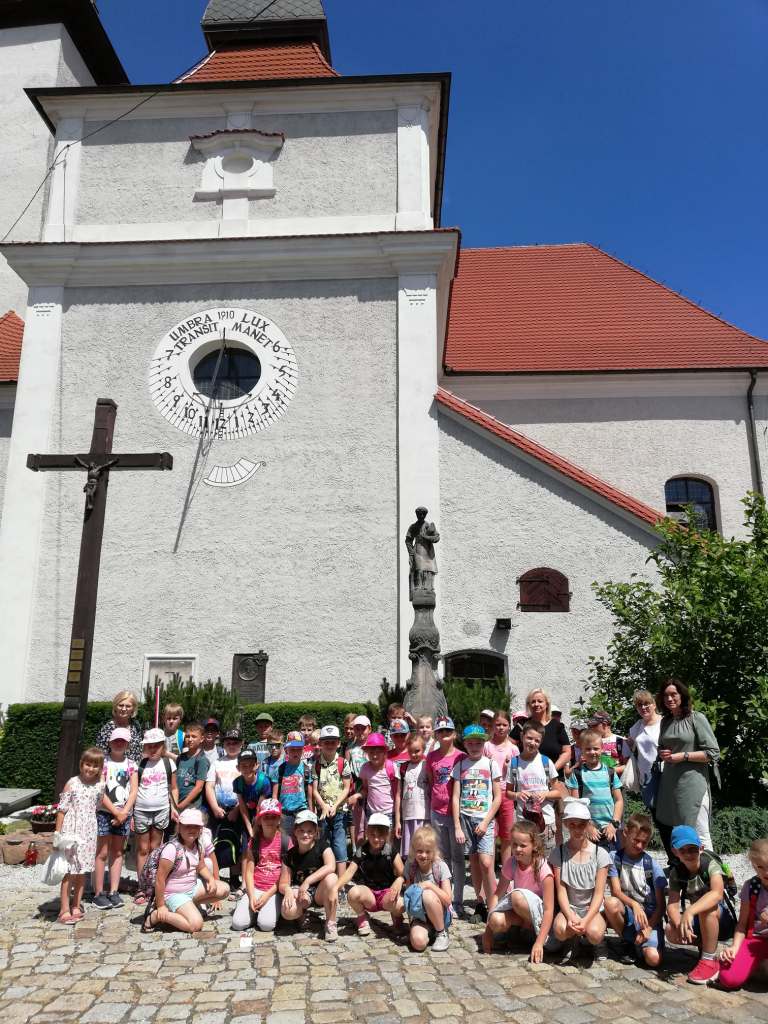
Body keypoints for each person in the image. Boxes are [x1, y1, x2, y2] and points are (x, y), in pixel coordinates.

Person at [655, 678, 720, 856]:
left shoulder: (696, 718)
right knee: (681, 833)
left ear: (682, 696)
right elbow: (663, 746)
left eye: (673, 694)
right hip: (671, 784)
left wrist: (683, 756)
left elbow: (713, 753)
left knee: (700, 833)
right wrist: (663, 753)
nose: (669, 698)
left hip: (692, 784)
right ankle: (689, 874)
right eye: (666, 695)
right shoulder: (665, 721)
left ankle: (714, 876)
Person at [665, 825, 736, 985]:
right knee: (670, 930)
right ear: (675, 852)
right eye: (683, 850)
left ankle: (709, 961)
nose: (689, 854)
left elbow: (717, 893)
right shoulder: (677, 873)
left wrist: (689, 912)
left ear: (701, 848)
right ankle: (706, 947)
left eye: (693, 849)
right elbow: (672, 905)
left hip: (722, 921)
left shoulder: (710, 865)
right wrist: (679, 923)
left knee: (707, 908)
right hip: (700, 921)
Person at [142, 808, 229, 933]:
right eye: (187, 826)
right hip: (173, 893)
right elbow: (160, 880)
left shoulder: (198, 845)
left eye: (196, 826)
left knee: (224, 889)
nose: (192, 829)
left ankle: (188, 907)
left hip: (191, 888)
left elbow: (201, 866)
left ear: (201, 829)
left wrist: (211, 879)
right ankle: (156, 916)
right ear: (179, 827)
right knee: (196, 925)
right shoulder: (172, 849)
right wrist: (161, 906)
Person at [483, 819, 556, 962]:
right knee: (496, 920)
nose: (517, 849)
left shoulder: (543, 869)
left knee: (517, 896)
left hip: (539, 916)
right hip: (520, 913)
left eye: (523, 845)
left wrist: (540, 943)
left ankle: (533, 936)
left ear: (534, 846)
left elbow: (549, 909)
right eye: (514, 844)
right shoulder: (511, 863)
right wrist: (488, 930)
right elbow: (497, 895)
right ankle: (519, 932)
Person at [550, 799, 611, 963]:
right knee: (560, 930)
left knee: (595, 933)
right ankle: (572, 939)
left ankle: (597, 942)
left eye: (581, 825)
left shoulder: (600, 854)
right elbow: (561, 890)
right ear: (566, 825)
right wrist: (570, 916)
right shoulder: (559, 854)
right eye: (572, 825)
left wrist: (586, 919)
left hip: (591, 908)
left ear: (588, 824)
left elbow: (599, 893)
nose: (577, 829)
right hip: (570, 907)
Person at [451, 724, 502, 922]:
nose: (474, 746)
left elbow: (497, 797)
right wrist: (457, 825)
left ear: (484, 744)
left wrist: (487, 821)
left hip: (484, 819)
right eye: (470, 743)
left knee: (486, 862)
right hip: (465, 818)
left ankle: (494, 904)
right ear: (464, 744)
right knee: (473, 861)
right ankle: (480, 904)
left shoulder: (490, 764)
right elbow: (456, 797)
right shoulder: (460, 766)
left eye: (478, 743)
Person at [603, 812, 667, 967]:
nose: (639, 846)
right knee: (611, 903)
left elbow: (661, 906)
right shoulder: (614, 857)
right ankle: (628, 941)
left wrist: (649, 927)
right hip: (629, 911)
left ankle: (642, 943)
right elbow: (616, 891)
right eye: (636, 840)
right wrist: (635, 905)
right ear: (625, 833)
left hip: (649, 917)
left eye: (643, 843)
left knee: (654, 960)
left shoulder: (652, 865)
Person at [53, 747, 105, 924]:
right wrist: (57, 834)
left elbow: (97, 806)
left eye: (95, 766)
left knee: (82, 870)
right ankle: (64, 908)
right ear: (81, 764)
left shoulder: (99, 786)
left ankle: (77, 904)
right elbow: (62, 810)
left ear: (100, 768)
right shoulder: (72, 783)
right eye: (87, 764)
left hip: (89, 832)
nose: (90, 769)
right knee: (69, 871)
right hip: (71, 831)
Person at [334, 812, 405, 935]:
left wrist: (400, 880)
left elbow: (404, 874)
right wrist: (335, 887)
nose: (376, 839)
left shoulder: (391, 851)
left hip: (387, 894)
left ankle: (397, 920)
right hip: (369, 894)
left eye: (381, 835)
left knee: (400, 904)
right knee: (353, 893)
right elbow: (349, 872)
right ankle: (362, 918)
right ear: (367, 833)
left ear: (387, 834)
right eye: (373, 835)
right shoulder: (362, 851)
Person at [93, 728, 138, 910]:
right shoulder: (103, 763)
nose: (119, 744)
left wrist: (124, 812)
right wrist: (115, 812)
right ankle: (98, 892)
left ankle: (113, 890)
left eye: (123, 741)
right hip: (105, 811)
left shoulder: (131, 764)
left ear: (127, 744)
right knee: (102, 852)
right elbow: (100, 790)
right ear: (110, 742)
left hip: (123, 813)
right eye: (116, 740)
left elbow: (133, 790)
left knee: (118, 852)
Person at [279, 809, 339, 942]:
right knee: (287, 912)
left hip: (319, 892)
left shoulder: (323, 846)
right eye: (301, 830)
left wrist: (308, 881)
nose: (305, 834)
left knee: (332, 878)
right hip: (299, 894)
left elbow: (331, 866)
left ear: (316, 832)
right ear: (295, 832)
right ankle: (301, 915)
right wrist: (288, 890)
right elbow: (283, 883)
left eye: (310, 831)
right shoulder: (290, 855)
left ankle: (331, 923)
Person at [506, 719, 563, 856]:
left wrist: (545, 794)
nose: (532, 743)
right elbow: (508, 792)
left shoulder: (545, 762)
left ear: (541, 742)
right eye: (529, 738)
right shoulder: (514, 763)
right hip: (523, 822)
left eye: (537, 740)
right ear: (522, 737)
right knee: (526, 860)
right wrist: (517, 795)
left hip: (546, 822)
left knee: (546, 860)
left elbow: (558, 792)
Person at [426, 716, 464, 916]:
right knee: (442, 857)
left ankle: (457, 900)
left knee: (458, 858)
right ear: (436, 734)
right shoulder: (431, 757)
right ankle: (444, 897)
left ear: (454, 733)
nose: (444, 735)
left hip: (456, 814)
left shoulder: (461, 757)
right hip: (437, 811)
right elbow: (432, 782)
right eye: (440, 731)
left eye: (448, 731)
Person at [718, 838, 768, 991]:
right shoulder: (751, 886)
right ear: (753, 866)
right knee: (728, 979)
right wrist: (734, 947)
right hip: (755, 939)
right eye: (760, 867)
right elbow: (742, 925)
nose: (766, 872)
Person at [134, 728, 178, 891]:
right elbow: (134, 788)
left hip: (161, 809)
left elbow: (173, 788)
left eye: (156, 746)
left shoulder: (168, 763)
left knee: (155, 847)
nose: (152, 749)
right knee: (142, 848)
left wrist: (175, 807)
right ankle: (142, 884)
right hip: (141, 809)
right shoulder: (139, 764)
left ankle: (154, 883)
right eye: (149, 746)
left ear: (162, 746)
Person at [564, 728, 623, 851]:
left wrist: (614, 823)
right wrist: (588, 826)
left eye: (596, 748)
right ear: (582, 751)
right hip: (589, 829)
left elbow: (618, 800)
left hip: (610, 828)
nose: (592, 752)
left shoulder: (610, 772)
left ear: (602, 749)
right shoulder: (578, 774)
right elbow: (576, 804)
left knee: (611, 865)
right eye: (588, 749)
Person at [231, 798, 285, 932]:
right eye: (266, 817)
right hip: (256, 887)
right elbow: (249, 872)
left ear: (279, 820)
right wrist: (251, 896)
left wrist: (267, 896)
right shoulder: (254, 841)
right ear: (260, 820)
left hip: (273, 890)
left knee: (266, 925)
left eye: (273, 817)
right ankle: (254, 912)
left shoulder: (285, 841)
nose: (269, 821)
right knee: (238, 924)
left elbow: (285, 875)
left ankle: (266, 912)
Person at [403, 824, 452, 952]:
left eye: (427, 851)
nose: (423, 855)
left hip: (440, 913)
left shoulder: (441, 867)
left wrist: (429, 885)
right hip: (420, 917)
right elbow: (408, 897)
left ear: (434, 851)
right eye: (419, 851)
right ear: (413, 851)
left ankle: (441, 933)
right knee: (418, 944)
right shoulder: (410, 867)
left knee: (428, 895)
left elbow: (447, 901)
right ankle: (429, 933)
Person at [312, 724, 352, 878]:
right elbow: (315, 790)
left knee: (339, 845)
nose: (329, 745)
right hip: (322, 813)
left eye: (333, 741)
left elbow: (346, 788)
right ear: (320, 743)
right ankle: (325, 878)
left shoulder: (343, 762)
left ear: (339, 743)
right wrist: (323, 806)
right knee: (323, 844)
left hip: (339, 812)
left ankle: (340, 883)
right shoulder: (316, 764)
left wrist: (334, 806)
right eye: (326, 741)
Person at [483, 710, 519, 866]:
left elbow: (518, 774)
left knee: (507, 834)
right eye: (497, 725)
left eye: (504, 725)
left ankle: (506, 869)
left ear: (509, 727)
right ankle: (488, 868)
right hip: (489, 793)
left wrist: (510, 767)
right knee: (490, 833)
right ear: (492, 726)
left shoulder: (513, 749)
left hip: (506, 793)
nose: (501, 728)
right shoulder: (486, 746)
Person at [510, 689, 571, 774]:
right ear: (529, 705)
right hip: (527, 776)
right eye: (533, 701)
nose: (536, 704)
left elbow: (567, 752)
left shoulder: (557, 726)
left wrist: (551, 770)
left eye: (540, 701)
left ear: (547, 704)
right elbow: (507, 745)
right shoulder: (522, 725)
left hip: (553, 778)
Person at [622, 690, 662, 811]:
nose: (643, 707)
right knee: (654, 812)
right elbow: (631, 748)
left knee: (669, 815)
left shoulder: (664, 723)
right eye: (639, 705)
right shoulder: (637, 727)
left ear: (654, 704)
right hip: (646, 778)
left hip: (664, 775)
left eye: (646, 703)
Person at [395, 734, 430, 858]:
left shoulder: (427, 765)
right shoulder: (403, 767)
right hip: (408, 816)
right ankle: (411, 875)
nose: (414, 754)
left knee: (424, 848)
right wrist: (398, 821)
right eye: (411, 751)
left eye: (417, 751)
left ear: (423, 749)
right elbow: (398, 794)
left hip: (424, 815)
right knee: (410, 852)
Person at [359, 733, 399, 834]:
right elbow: (365, 789)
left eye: (378, 752)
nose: (375, 755)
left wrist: (398, 820)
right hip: (371, 812)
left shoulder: (392, 767)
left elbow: (398, 794)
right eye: (371, 752)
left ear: (385, 752)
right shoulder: (365, 768)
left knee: (388, 844)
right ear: (367, 752)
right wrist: (357, 795)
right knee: (373, 841)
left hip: (389, 812)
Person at [233, 748, 272, 841]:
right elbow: (242, 806)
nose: (248, 769)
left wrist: (254, 828)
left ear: (257, 765)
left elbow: (260, 807)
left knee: (260, 838)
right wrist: (249, 828)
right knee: (247, 840)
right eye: (244, 766)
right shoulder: (237, 783)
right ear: (238, 768)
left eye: (251, 765)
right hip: (247, 813)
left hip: (262, 813)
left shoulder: (264, 781)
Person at [95, 690, 143, 763]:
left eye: (128, 706)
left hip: (134, 771)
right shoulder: (107, 729)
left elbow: (140, 750)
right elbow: (100, 755)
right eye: (121, 705)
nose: (124, 709)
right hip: (113, 770)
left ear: (133, 709)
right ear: (115, 707)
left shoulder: (136, 726)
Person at [346, 715, 372, 842]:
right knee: (359, 822)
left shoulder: (373, 745)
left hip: (372, 787)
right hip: (357, 786)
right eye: (357, 729)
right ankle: (359, 851)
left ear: (369, 729)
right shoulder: (350, 748)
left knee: (371, 821)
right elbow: (347, 770)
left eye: (363, 728)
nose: (360, 732)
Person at [175, 722, 210, 813]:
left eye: (194, 736)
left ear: (201, 739)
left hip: (191, 806)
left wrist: (182, 804)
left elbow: (199, 787)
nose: (190, 739)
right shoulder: (180, 758)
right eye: (187, 736)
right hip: (177, 802)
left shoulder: (201, 760)